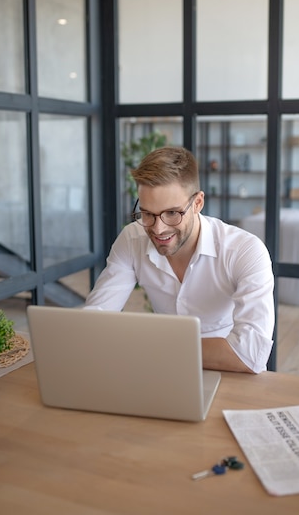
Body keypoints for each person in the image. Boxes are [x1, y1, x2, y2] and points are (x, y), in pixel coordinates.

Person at [85, 146, 275, 373]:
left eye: (172, 213)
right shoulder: (132, 239)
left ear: (197, 203)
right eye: (147, 213)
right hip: (162, 371)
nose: (158, 228)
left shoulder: (245, 251)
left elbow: (250, 354)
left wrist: (156, 348)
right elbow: (93, 321)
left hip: (227, 373)